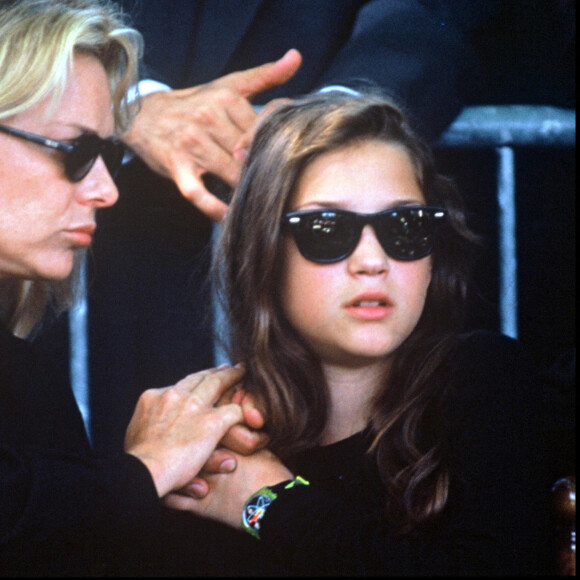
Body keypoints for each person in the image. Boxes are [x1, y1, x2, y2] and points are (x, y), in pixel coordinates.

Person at [165, 91, 552, 575]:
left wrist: (268, 503)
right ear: (265, 251)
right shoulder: (221, 439)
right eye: (327, 229)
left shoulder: (483, 378)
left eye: (405, 226)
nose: (373, 261)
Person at [0, 1, 267, 575]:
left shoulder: (22, 361)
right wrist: (145, 469)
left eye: (106, 154)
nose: (105, 189)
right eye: (75, 152)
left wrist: (267, 500)